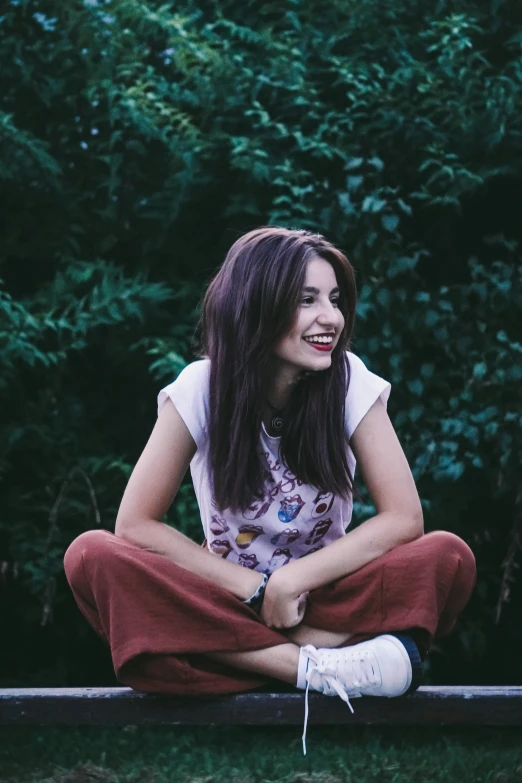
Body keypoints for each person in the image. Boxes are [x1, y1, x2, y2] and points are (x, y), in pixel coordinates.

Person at [64, 226, 477, 753]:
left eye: (333, 299)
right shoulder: (199, 388)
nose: (331, 317)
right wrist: (256, 590)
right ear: (256, 308)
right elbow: (136, 526)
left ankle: (230, 660)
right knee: (90, 556)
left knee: (448, 557)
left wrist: (290, 584)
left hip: (324, 603)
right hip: (227, 602)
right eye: (307, 301)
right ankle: (315, 668)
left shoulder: (349, 380)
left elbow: (403, 519)